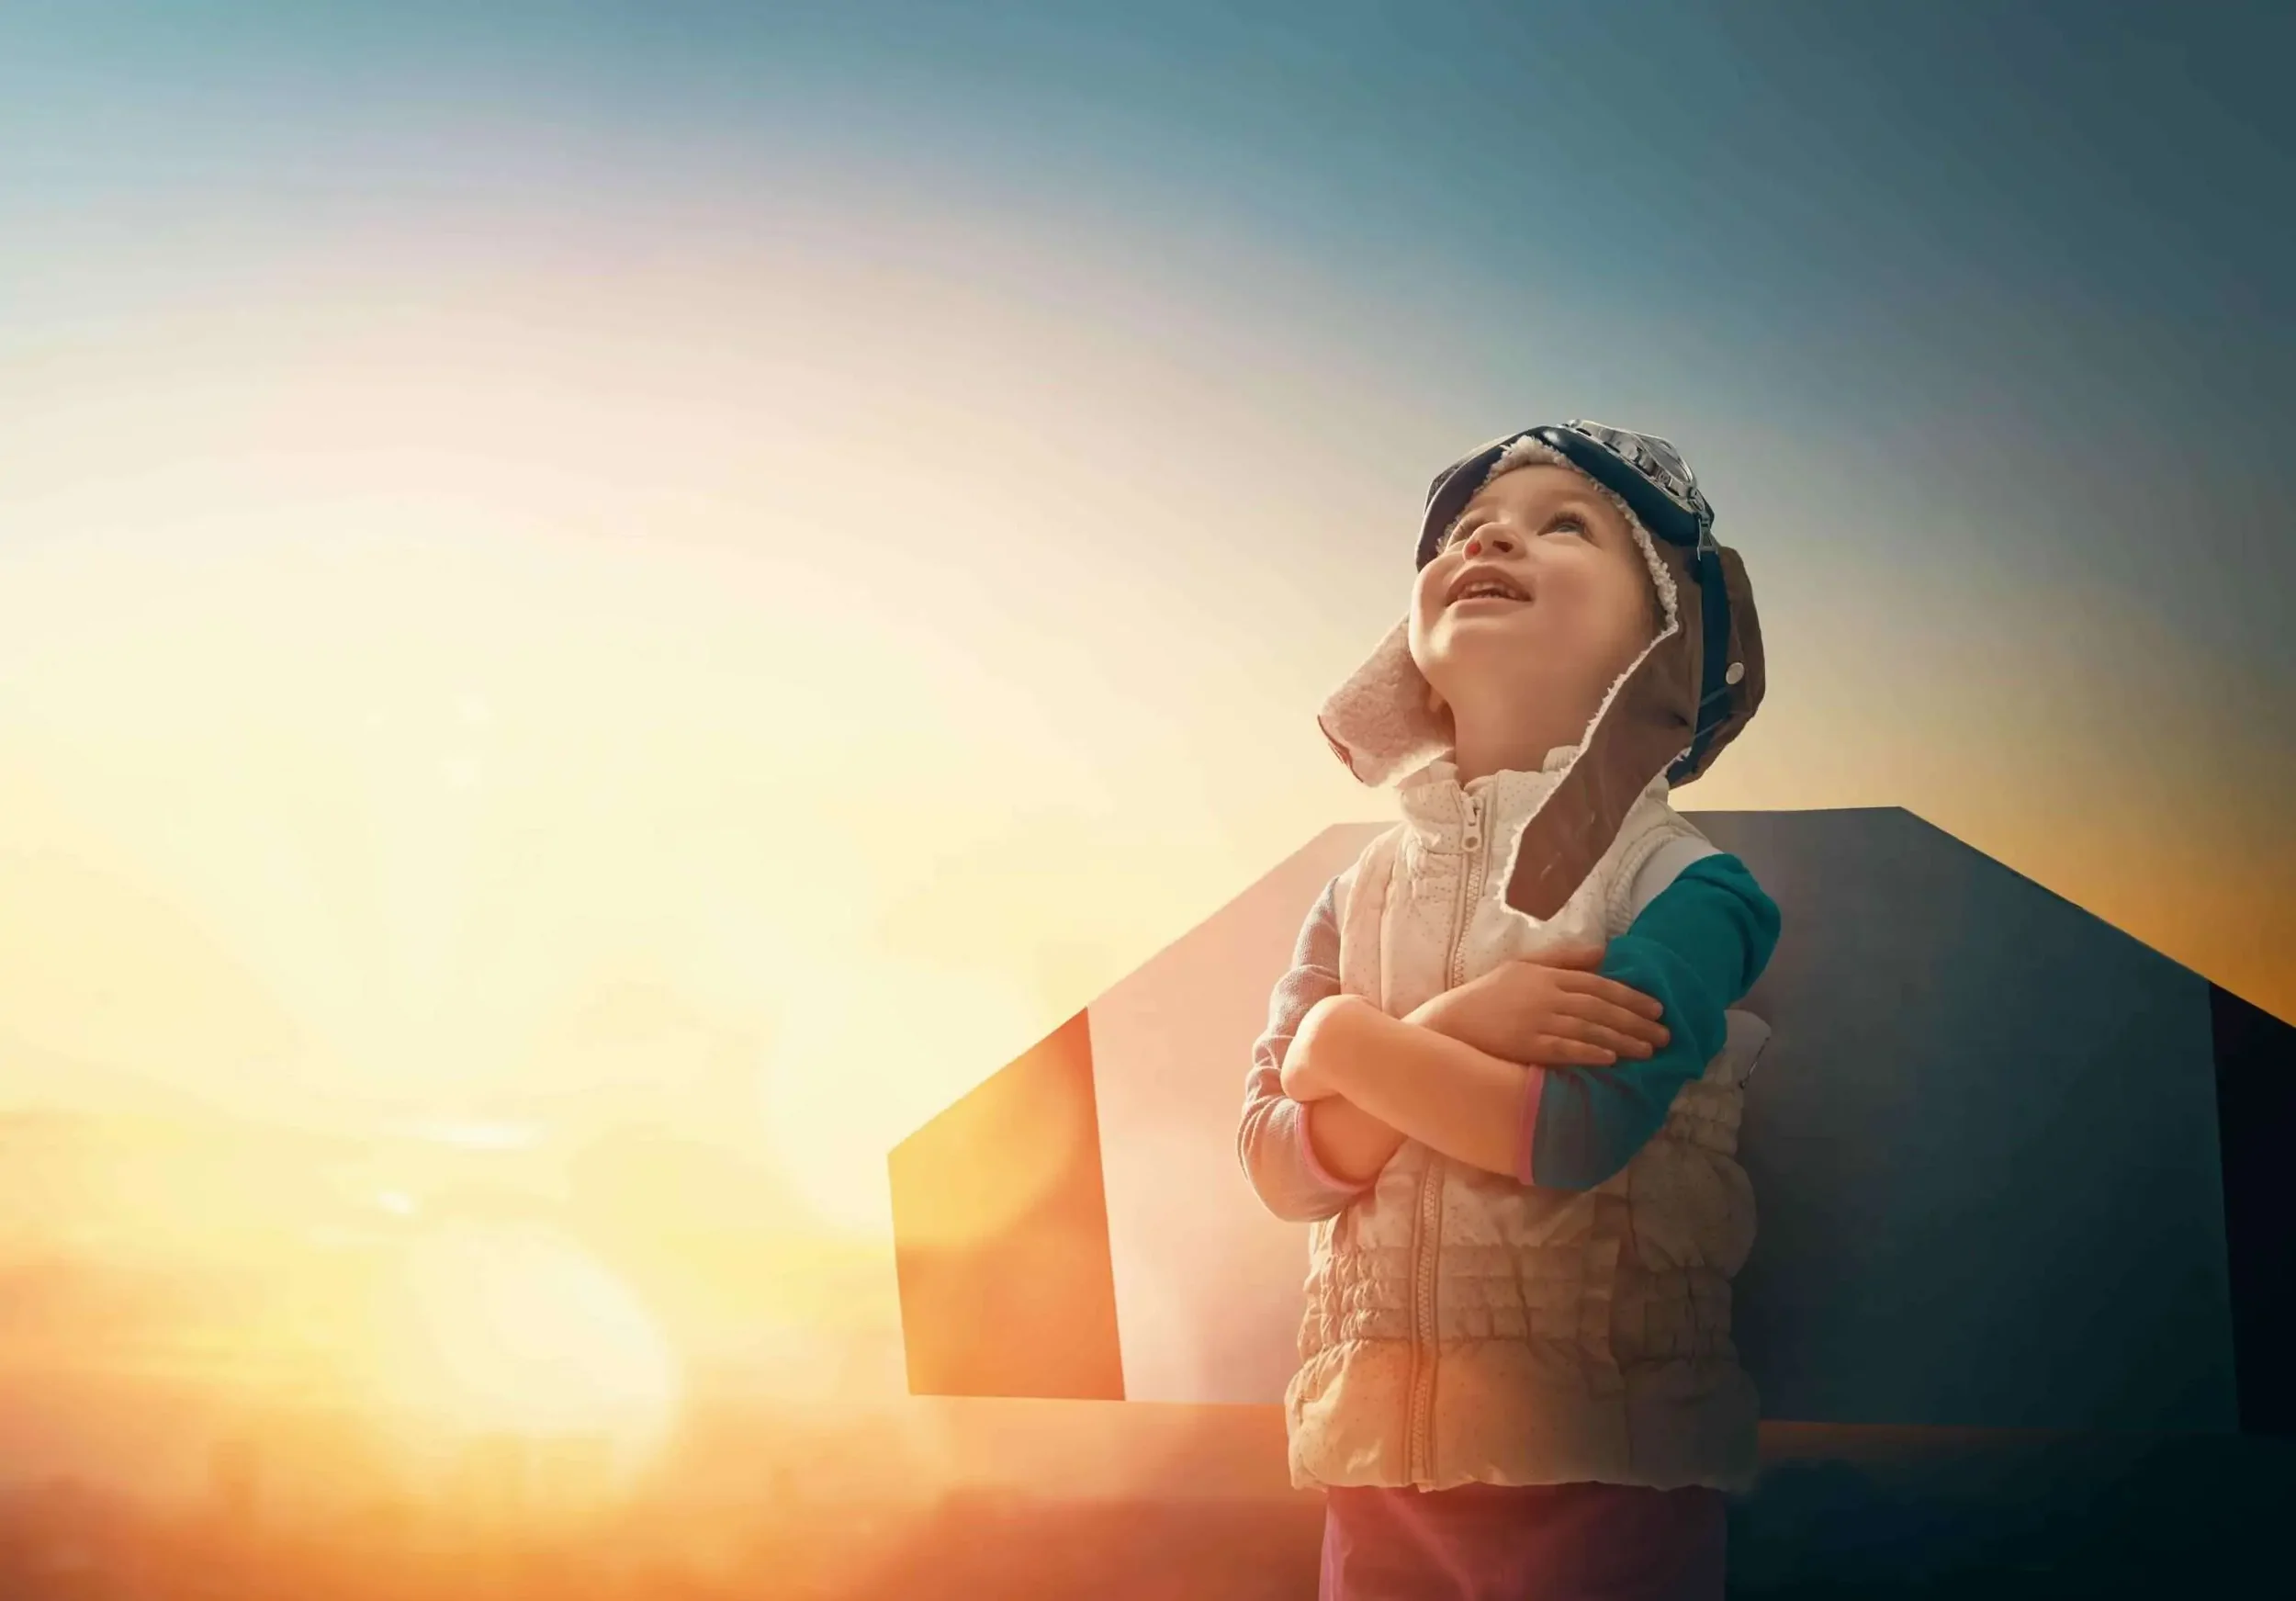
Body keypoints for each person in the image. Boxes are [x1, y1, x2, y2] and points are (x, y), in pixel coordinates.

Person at [1235, 421, 1781, 1600]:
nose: (1492, 532)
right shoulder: (1352, 896)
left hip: (1608, 1478)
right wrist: (1440, 1028)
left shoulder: (1688, 890)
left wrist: (1350, 1058)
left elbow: (1567, 1137)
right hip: (1373, 1477)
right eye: (1475, 525)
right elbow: (1280, 1168)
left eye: (1565, 523)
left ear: (1666, 636)